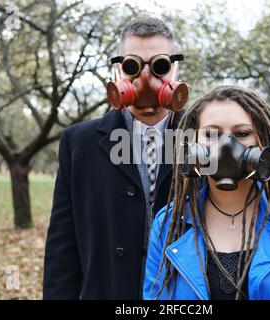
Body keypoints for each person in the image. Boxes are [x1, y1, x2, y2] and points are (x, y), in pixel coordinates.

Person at [43, 17, 186, 299]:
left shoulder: (203, 138)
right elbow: (62, 248)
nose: (147, 80)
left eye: (160, 66)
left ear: (175, 70)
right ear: (119, 70)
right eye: (133, 66)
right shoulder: (79, 143)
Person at [143, 86, 270, 300]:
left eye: (242, 134)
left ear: (262, 141)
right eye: (211, 134)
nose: (226, 147)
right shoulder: (168, 223)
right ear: (194, 143)